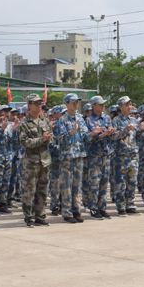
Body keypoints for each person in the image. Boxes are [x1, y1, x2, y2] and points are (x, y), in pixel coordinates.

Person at [18, 94, 54, 227]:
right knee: (29, 190)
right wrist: (42, 139)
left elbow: (51, 137)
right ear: (29, 105)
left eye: (40, 103)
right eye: (36, 103)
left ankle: (40, 216)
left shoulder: (45, 121)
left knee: (43, 190)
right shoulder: (24, 123)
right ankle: (29, 217)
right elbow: (25, 142)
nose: (39, 105)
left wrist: (49, 138)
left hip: (44, 161)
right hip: (31, 163)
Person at [54, 94, 89, 223]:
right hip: (67, 156)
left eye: (77, 102)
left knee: (77, 185)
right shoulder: (62, 120)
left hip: (79, 155)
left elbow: (86, 135)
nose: (76, 104)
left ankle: (76, 210)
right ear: (67, 104)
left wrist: (96, 133)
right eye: (73, 102)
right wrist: (71, 133)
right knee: (66, 185)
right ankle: (67, 212)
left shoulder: (80, 118)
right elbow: (60, 140)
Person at [84, 95, 114, 219]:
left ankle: (102, 207)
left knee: (104, 182)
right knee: (94, 183)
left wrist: (111, 132)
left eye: (103, 105)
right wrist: (100, 134)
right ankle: (93, 207)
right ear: (94, 106)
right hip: (94, 155)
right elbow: (87, 138)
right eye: (100, 104)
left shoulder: (106, 118)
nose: (102, 107)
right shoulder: (88, 120)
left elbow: (111, 134)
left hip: (105, 154)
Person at [110, 96, 140, 216]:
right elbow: (113, 136)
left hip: (133, 155)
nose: (129, 107)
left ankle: (130, 204)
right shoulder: (116, 121)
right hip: (121, 156)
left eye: (130, 104)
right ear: (121, 107)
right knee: (120, 182)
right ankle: (121, 206)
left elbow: (137, 137)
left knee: (132, 181)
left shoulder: (134, 120)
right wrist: (125, 130)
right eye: (126, 105)